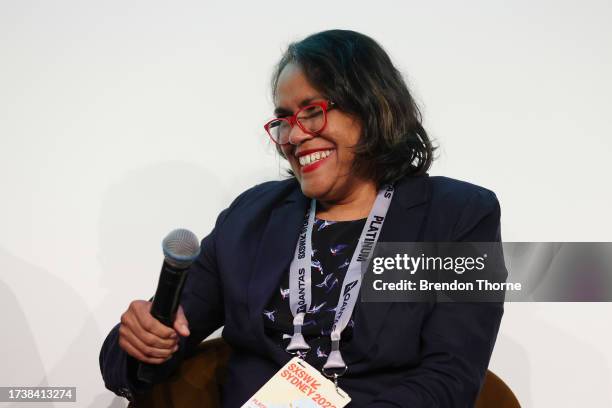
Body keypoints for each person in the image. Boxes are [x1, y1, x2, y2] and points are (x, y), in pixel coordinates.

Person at [100, 29, 504, 407]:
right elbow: (137, 358)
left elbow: (451, 375)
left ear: (372, 108)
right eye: (284, 120)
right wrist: (142, 340)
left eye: (312, 112)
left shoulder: (458, 216)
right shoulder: (250, 218)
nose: (293, 136)